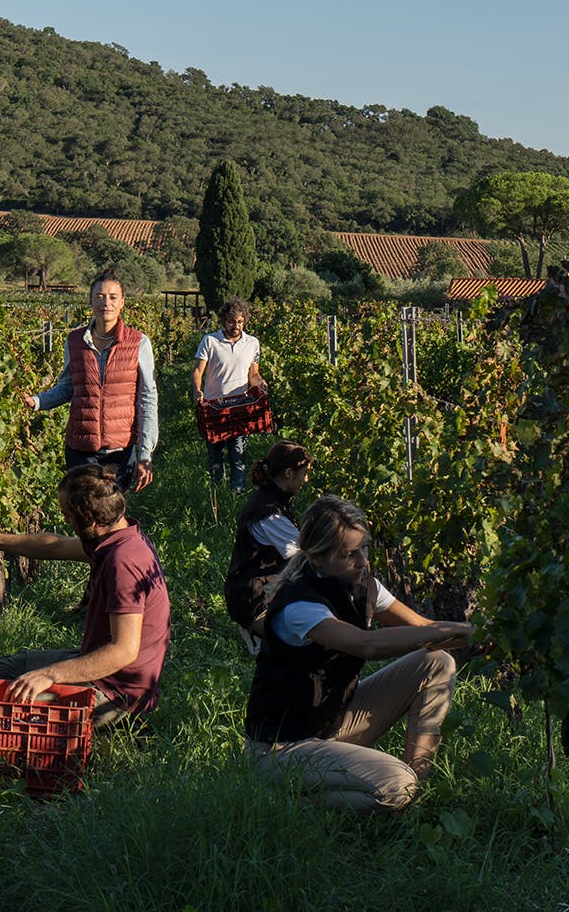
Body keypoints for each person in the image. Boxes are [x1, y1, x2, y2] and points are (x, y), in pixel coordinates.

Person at [244, 495, 473, 812]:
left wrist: (480, 635)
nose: (363, 561)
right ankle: (285, 809)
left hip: (330, 723)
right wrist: (449, 632)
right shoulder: (300, 605)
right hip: (282, 748)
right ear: (317, 558)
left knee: (436, 661)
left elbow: (424, 628)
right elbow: (368, 644)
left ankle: (418, 791)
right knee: (396, 786)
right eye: (349, 554)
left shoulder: (364, 586)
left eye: (364, 548)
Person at [0, 464, 171, 727]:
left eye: (69, 517)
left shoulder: (124, 563)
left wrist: (50, 675)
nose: (66, 522)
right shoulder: (114, 537)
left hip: (116, 694)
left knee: (6, 703)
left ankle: (93, 743)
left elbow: (123, 651)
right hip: (102, 670)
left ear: (92, 520)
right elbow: (57, 545)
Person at [25, 270, 157, 492]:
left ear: (122, 302)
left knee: (112, 516)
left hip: (120, 450)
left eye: (113, 297)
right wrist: (37, 401)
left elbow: (147, 399)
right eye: (100, 296)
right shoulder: (74, 340)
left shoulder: (139, 343)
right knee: (84, 514)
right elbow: (68, 387)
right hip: (81, 448)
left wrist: (145, 454)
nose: (106, 303)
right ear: (91, 301)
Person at [224, 440, 313, 647]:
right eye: (305, 473)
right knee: (313, 641)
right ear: (289, 473)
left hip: (261, 591)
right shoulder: (270, 513)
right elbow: (305, 558)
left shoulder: (271, 501)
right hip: (255, 600)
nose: (306, 479)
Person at [192, 298, 264, 491]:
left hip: (239, 406)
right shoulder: (210, 341)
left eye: (240, 322)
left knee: (238, 454)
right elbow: (198, 371)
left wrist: (261, 384)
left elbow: (253, 373)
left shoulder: (252, 343)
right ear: (224, 320)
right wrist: (197, 390)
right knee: (215, 456)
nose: (236, 326)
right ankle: (217, 494)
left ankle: (236, 495)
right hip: (214, 407)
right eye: (232, 321)